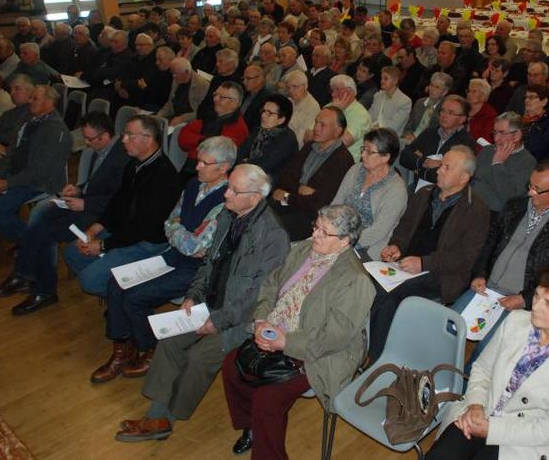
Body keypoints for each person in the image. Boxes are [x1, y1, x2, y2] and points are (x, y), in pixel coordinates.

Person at [114, 164, 290, 443]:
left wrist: (217, 321)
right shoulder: (228, 216)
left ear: (255, 197)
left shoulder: (273, 237)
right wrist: (193, 295)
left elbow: (258, 295)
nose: (226, 194)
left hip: (241, 321)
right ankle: (156, 414)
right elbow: (209, 263)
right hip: (209, 305)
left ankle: (168, 417)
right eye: (228, 187)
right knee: (170, 341)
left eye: (234, 190)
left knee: (198, 358)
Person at [221, 204, 374, 458]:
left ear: (345, 241)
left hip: (318, 353)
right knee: (231, 366)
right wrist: (261, 319)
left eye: (324, 232)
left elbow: (334, 337)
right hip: (276, 331)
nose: (315, 235)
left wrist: (285, 342)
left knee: (267, 400)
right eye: (316, 227)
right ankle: (252, 428)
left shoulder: (355, 280)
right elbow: (272, 283)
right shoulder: (304, 249)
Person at [94, 137, 234, 384]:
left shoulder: (227, 201)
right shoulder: (193, 185)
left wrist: (177, 229)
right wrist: (180, 231)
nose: (197, 166)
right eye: (197, 161)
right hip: (172, 256)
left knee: (136, 298)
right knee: (116, 284)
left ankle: (150, 349)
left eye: (204, 163)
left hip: (196, 270)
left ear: (223, 168)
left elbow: (197, 248)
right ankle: (123, 348)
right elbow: (169, 222)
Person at [426, 266, 549, 460]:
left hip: (526, 443)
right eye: (536, 296)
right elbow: (483, 369)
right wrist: (475, 405)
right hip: (481, 413)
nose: (536, 306)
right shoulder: (516, 321)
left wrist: (492, 429)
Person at [456, 160, 549, 366]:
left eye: (538, 189)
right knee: (448, 326)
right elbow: (490, 241)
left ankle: (463, 391)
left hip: (519, 301)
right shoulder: (514, 206)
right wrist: (480, 273)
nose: (530, 193)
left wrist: (525, 298)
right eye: (530, 186)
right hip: (486, 288)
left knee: (485, 353)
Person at [0, 112, 130, 312]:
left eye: (89, 139)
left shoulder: (123, 157)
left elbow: (121, 200)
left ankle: (44, 289)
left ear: (104, 136)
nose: (86, 143)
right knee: (39, 214)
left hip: (99, 214)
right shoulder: (101, 150)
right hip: (86, 202)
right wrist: (79, 188)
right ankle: (25, 274)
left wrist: (86, 204)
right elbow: (97, 185)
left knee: (45, 231)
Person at [369, 146, 489, 359]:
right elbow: (404, 228)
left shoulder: (476, 209)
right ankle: (363, 349)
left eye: (447, 168)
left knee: (387, 297)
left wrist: (424, 263)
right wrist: (396, 246)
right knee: (364, 283)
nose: (439, 170)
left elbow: (465, 259)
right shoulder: (424, 194)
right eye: (441, 165)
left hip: (441, 275)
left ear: (463, 177)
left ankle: (378, 362)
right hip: (406, 266)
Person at [62, 115, 182, 297]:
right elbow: (117, 203)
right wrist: (93, 230)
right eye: (124, 134)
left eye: (129, 135)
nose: (123, 140)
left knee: (88, 281)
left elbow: (143, 227)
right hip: (124, 231)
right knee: (72, 252)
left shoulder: (164, 176)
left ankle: (127, 299)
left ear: (148, 139)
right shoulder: (134, 164)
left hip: (147, 242)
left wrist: (103, 245)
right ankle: (116, 288)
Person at [0, 85, 72, 242]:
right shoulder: (28, 118)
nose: (30, 101)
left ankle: (36, 242)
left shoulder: (56, 131)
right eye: (30, 97)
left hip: (39, 182)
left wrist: (6, 183)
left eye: (34, 98)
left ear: (49, 102)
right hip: (19, 174)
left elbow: (39, 172)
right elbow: (12, 150)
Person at [270, 106, 354, 241]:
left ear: (338, 131)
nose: (316, 128)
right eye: (316, 122)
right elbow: (285, 176)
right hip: (292, 203)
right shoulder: (309, 146)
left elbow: (320, 203)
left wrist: (287, 196)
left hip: (311, 218)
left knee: (273, 227)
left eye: (323, 125)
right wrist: (299, 189)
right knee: (258, 212)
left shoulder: (343, 160)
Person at [332, 128, 407, 260]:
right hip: (338, 235)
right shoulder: (356, 170)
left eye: (369, 152)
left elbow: (379, 231)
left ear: (386, 157)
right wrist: (329, 229)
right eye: (363, 149)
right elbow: (337, 203)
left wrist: (344, 241)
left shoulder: (396, 189)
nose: (363, 155)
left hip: (367, 247)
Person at [400, 95, 477, 190]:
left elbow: (450, 177)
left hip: (442, 193)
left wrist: (419, 170)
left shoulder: (466, 143)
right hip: (418, 188)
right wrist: (424, 162)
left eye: (451, 112)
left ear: (463, 119)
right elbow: (404, 156)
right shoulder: (430, 132)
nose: (444, 115)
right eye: (442, 110)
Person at [178, 81, 249, 182]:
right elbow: (183, 139)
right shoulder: (208, 116)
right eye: (215, 95)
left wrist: (198, 142)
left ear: (235, 103)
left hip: (210, 176)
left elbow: (219, 154)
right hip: (190, 168)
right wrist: (204, 141)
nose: (215, 99)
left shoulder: (239, 128)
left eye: (222, 97)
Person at [472, 112, 536, 216]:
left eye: (502, 133)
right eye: (495, 133)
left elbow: (510, 198)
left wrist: (498, 163)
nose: (496, 139)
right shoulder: (487, 151)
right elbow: (470, 180)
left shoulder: (527, 162)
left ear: (517, 135)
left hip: (495, 216)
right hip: (469, 207)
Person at [237, 93, 298, 185]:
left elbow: (264, 166)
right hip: (247, 176)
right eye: (264, 111)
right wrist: (244, 162)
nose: (263, 115)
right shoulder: (258, 131)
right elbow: (240, 153)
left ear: (281, 120)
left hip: (268, 184)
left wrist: (246, 162)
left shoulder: (287, 140)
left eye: (269, 113)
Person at [328, 74, 372, 162]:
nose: (333, 94)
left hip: (343, 163)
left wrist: (336, 112)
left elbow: (342, 143)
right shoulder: (329, 106)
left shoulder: (361, 115)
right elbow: (308, 135)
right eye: (332, 90)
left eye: (337, 90)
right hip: (322, 156)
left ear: (349, 92)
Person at [157, 57, 211, 127]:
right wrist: (159, 116)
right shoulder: (176, 80)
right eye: (172, 73)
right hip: (174, 116)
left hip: (189, 121)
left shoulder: (202, 85)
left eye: (176, 73)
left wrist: (183, 118)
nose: (173, 76)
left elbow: (202, 112)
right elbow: (170, 103)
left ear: (187, 72)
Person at [401, 71, 451, 142]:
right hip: (409, 140)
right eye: (431, 85)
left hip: (426, 144)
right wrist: (408, 135)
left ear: (445, 92)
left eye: (437, 87)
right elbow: (408, 126)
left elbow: (437, 136)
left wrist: (417, 141)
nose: (432, 89)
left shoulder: (445, 109)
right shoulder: (420, 103)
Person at [0, 74, 32, 163]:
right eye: (11, 89)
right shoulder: (7, 115)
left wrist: (6, 150)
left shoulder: (33, 114)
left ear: (29, 91)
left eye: (17, 89)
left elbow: (25, 144)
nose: (12, 93)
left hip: (15, 158)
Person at [368, 66, 412, 136]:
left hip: (389, 139)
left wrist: (376, 129)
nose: (382, 81)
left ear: (395, 81)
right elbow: (369, 116)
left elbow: (393, 127)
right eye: (381, 78)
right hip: (371, 133)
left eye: (385, 79)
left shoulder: (405, 101)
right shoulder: (378, 95)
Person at [522, 84, 549, 161]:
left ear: (544, 102)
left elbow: (539, 150)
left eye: (531, 97)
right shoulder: (519, 121)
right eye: (526, 97)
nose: (526, 100)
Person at [284, 70, 320, 148]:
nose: (290, 91)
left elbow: (301, 139)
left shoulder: (312, 106)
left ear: (305, 86)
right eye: (288, 87)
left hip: (293, 148)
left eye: (295, 86)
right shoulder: (289, 101)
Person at [466, 78, 497, 148]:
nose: (469, 94)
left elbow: (484, 142)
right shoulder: (462, 109)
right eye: (469, 91)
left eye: (474, 91)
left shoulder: (490, 116)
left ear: (483, 96)